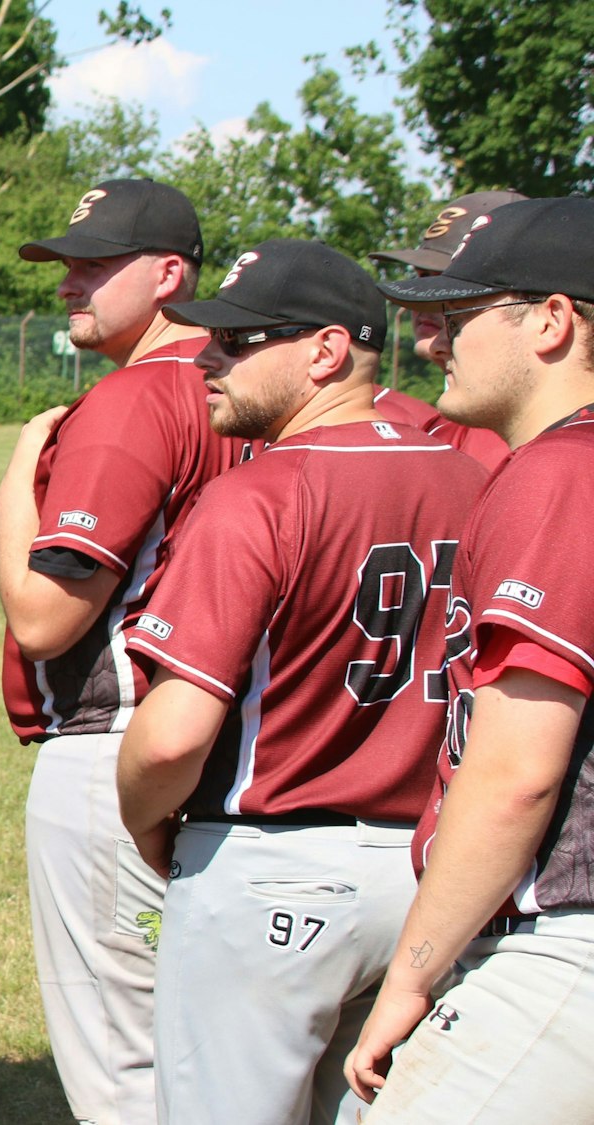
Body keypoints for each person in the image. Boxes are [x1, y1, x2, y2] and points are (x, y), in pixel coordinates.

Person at [112, 239, 487, 1124]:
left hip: (269, 865)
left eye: (239, 340)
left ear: (326, 351)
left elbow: (171, 737)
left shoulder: (259, 492)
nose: (207, 358)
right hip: (435, 867)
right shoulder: (476, 478)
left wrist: (143, 820)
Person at [0, 177, 242, 1125]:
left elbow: (44, 619)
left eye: (96, 264)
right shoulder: (247, 387)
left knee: (124, 1073)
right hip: (224, 745)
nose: (70, 283)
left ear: (170, 274)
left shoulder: (135, 396)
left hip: (118, 748)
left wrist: (19, 477)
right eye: (68, 263)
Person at [346, 196, 594, 1121]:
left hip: (562, 936)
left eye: (460, 314)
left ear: (551, 320)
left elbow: (516, 774)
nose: (433, 341)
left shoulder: (562, 471)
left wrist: (412, 973)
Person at [368, 190, 525, 471]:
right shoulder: (453, 420)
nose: (422, 299)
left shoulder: (515, 433)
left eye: (446, 281)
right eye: (422, 276)